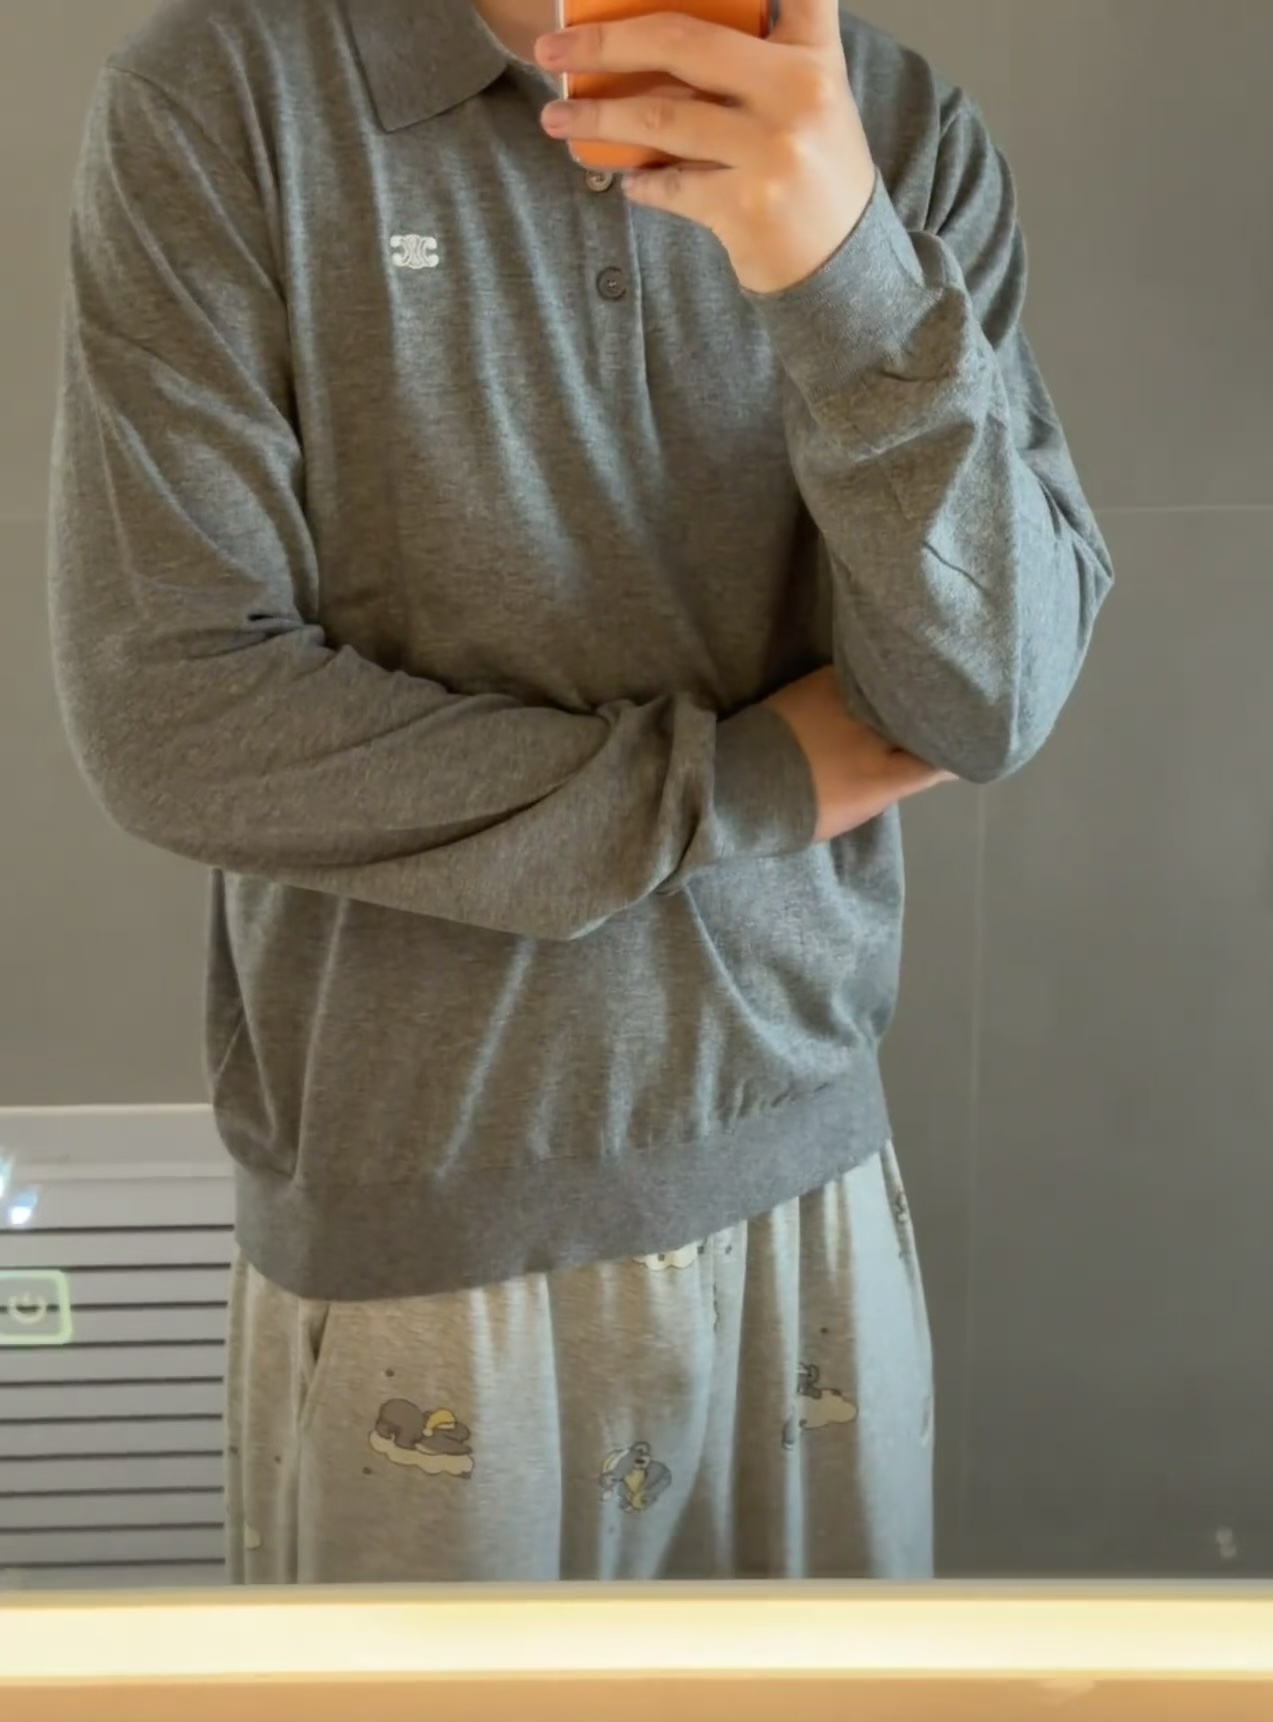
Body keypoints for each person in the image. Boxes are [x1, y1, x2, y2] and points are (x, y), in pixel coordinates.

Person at [48, 0, 1113, 1584]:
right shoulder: (228, 103)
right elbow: (175, 710)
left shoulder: (889, 126)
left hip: (806, 1190)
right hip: (424, 1231)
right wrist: (739, 782)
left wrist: (842, 268)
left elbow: (988, 692)